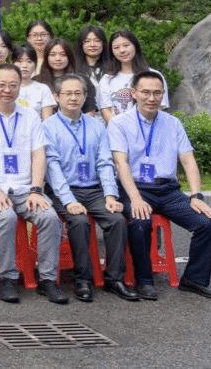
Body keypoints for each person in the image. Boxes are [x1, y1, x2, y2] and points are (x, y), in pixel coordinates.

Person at [108, 71, 211, 300]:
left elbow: (188, 160)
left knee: (209, 224)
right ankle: (144, 280)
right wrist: (136, 198)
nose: (152, 98)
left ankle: (194, 279)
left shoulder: (173, 123)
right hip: (135, 188)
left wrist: (196, 195)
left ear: (163, 95)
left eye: (157, 93)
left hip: (168, 190)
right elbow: (121, 163)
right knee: (140, 222)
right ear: (134, 93)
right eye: (146, 92)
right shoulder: (119, 123)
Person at [0, 64, 67, 304]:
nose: (7, 90)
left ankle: (47, 280)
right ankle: (8, 278)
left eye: (13, 85)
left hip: (25, 189)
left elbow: (38, 155)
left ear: (19, 87)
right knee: (6, 217)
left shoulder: (31, 116)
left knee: (49, 217)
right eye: (2, 85)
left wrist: (36, 189)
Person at [42, 74, 137, 303]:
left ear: (85, 96)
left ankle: (114, 279)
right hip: (62, 190)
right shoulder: (47, 127)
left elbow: (104, 162)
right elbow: (52, 167)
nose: (73, 98)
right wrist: (68, 201)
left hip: (94, 190)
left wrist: (110, 195)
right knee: (79, 221)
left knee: (116, 220)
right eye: (67, 93)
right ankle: (82, 279)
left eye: (78, 93)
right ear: (57, 97)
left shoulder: (96, 125)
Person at [99, 30, 168, 122]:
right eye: (116, 47)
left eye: (126, 45)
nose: (122, 50)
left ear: (135, 46)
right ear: (112, 52)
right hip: (117, 129)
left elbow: (159, 108)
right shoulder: (107, 79)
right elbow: (105, 111)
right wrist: (119, 128)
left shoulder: (154, 76)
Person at [37, 38, 99, 115]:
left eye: (63, 54)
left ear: (69, 57)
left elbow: (90, 110)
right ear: (46, 57)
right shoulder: (37, 81)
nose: (58, 59)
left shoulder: (82, 80)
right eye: (53, 55)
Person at [13, 45, 56, 119]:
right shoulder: (5, 88)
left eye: (29, 61)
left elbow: (47, 120)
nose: (24, 65)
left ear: (35, 64)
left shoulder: (43, 89)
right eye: (19, 61)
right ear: (12, 63)